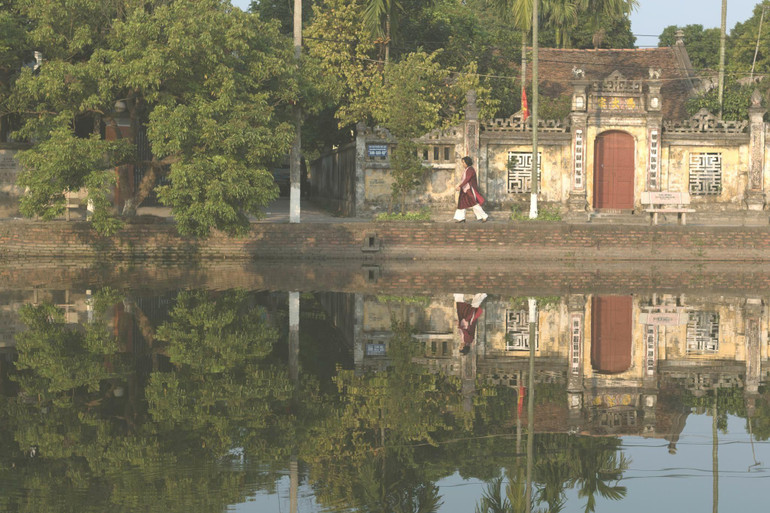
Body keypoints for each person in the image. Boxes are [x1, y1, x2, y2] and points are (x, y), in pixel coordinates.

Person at [454, 156, 489, 223]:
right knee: (461, 203)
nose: (463, 164)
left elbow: (467, 179)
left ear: (467, 162)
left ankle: (484, 216)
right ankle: (460, 218)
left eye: (463, 162)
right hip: (465, 190)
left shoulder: (470, 170)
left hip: (469, 190)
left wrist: (460, 186)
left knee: (474, 203)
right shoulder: (467, 170)